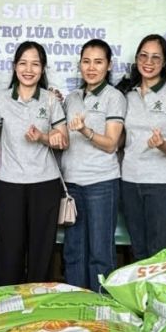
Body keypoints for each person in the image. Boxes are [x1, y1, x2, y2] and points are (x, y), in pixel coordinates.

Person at [0, 41, 67, 285]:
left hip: (45, 184)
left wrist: (42, 137)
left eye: (35, 64)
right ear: (14, 66)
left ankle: (37, 304)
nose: (28, 69)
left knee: (41, 253)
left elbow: (63, 141)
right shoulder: (1, 99)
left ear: (43, 69)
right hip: (10, 184)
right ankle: (6, 303)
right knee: (9, 252)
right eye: (23, 63)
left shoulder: (50, 99)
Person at [61, 39, 126, 290]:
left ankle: (100, 306)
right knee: (73, 251)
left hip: (101, 183)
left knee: (100, 253)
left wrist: (85, 130)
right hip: (72, 185)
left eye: (98, 62)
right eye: (86, 61)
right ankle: (77, 302)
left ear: (108, 66)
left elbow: (111, 144)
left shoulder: (114, 97)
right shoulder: (72, 98)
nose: (91, 67)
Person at [119, 34, 166, 260]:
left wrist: (162, 144)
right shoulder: (127, 95)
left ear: (164, 62)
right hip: (129, 180)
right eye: (144, 56)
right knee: (138, 249)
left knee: (160, 251)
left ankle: (161, 286)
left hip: (162, 183)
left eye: (156, 57)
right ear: (137, 59)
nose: (148, 62)